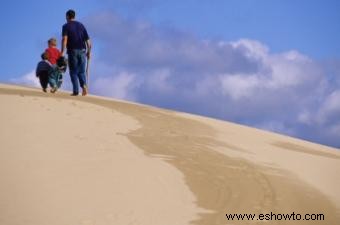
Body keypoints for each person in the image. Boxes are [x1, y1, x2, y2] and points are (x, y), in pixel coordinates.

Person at [61, 9, 91, 96]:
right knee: (81, 71)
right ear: (74, 16)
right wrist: (89, 52)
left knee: (73, 71)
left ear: (67, 16)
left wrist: (62, 52)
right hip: (82, 51)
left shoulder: (65, 26)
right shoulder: (81, 25)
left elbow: (65, 39)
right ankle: (84, 85)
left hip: (72, 51)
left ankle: (76, 91)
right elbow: (88, 41)